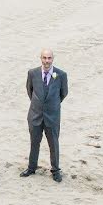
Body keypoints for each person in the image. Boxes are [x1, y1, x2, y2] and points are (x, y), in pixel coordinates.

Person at [21, 49, 68, 182]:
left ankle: (55, 169)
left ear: (53, 59)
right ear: (40, 58)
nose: (47, 61)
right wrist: (38, 104)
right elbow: (29, 90)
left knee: (53, 143)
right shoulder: (32, 73)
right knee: (34, 142)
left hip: (52, 116)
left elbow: (63, 93)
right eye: (44, 58)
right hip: (35, 114)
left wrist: (51, 105)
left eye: (49, 58)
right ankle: (31, 167)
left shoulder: (61, 74)